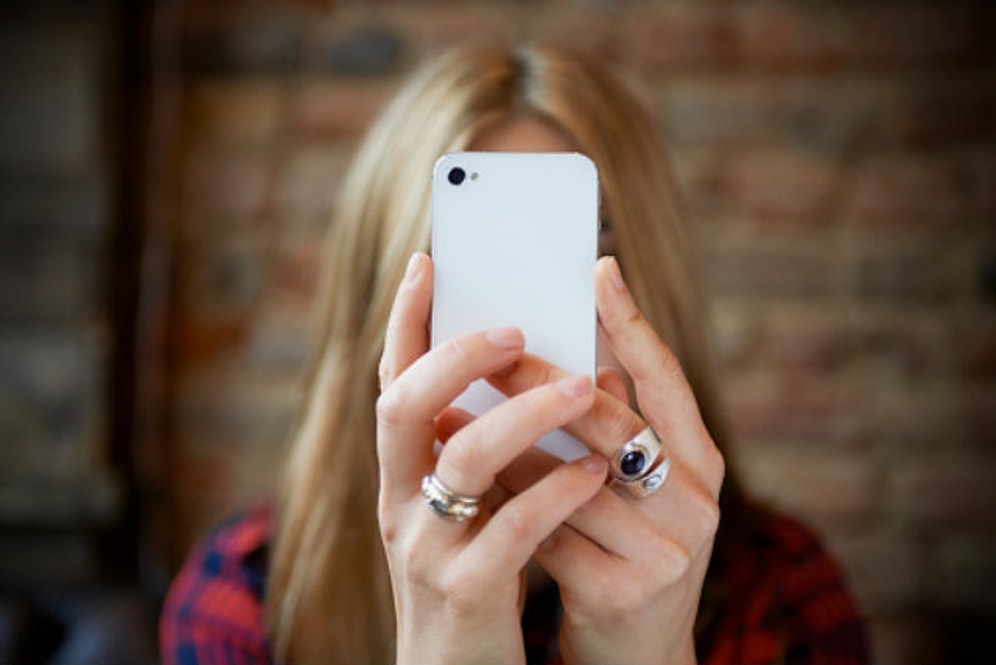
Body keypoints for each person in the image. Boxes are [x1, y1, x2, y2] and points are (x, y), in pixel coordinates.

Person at [160, 43, 870, 665]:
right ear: (383, 307)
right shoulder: (248, 595)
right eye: (475, 267)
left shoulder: (784, 594)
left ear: (649, 292)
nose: (519, 340)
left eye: (580, 250)